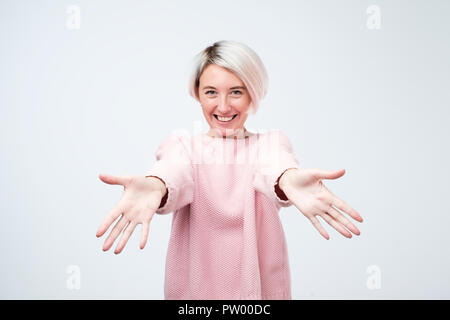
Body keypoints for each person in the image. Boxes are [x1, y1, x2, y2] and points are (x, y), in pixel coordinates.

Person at [96, 40, 364, 300]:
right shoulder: (183, 146)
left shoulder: (269, 144)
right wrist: (156, 184)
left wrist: (289, 180)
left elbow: (276, 166)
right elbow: (173, 170)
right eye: (211, 92)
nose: (223, 107)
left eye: (236, 92)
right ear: (198, 94)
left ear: (253, 94)